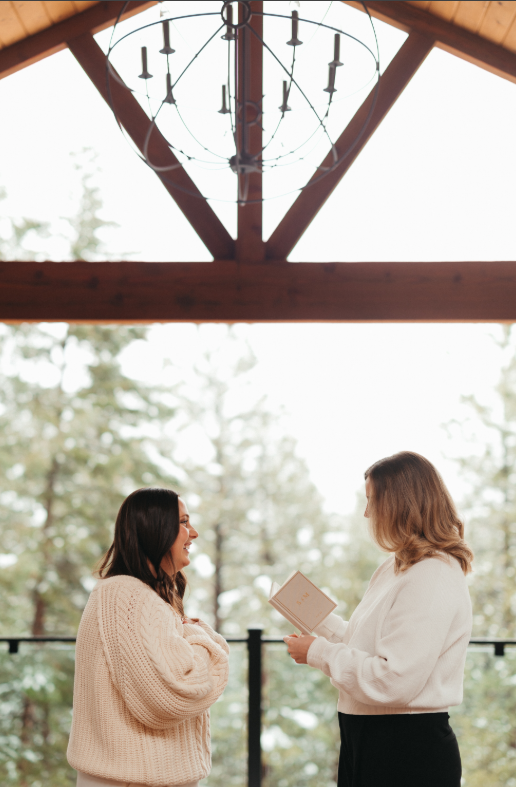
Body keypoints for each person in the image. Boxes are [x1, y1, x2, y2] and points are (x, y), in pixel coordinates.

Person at [284, 451, 473, 787]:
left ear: (401, 504)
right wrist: (320, 622)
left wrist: (318, 653)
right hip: (371, 739)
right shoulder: (398, 566)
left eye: (373, 500)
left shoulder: (433, 574)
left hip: (405, 750)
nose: (367, 512)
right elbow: (369, 646)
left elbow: (393, 679)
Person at [67, 487, 229, 787]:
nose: (192, 533)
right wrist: (209, 642)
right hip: (133, 779)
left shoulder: (136, 596)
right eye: (182, 522)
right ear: (155, 528)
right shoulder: (127, 596)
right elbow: (171, 696)